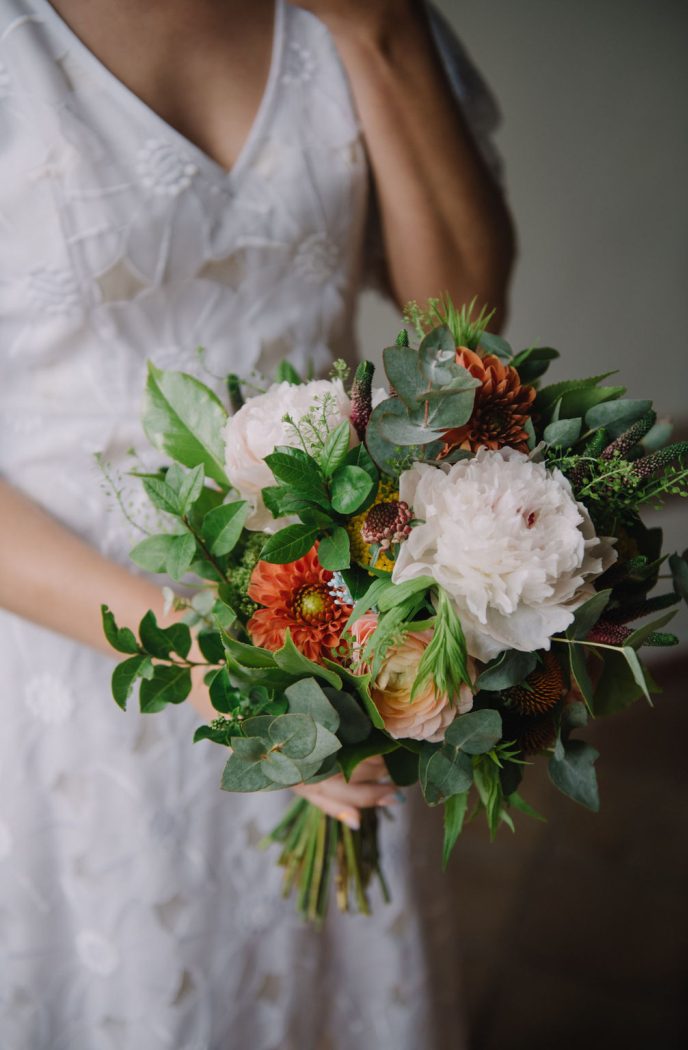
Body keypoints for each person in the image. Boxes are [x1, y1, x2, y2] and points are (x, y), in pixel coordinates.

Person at [0, 0, 514, 1046]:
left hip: (332, 603)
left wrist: (380, 33)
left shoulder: (358, 17)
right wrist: (221, 668)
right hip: (72, 646)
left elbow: (463, 323)